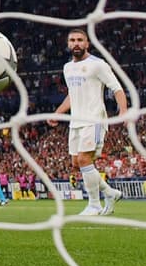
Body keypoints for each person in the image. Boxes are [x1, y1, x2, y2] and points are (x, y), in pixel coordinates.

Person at [47, 29, 129, 216]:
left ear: (87, 43)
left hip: (94, 119)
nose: (76, 43)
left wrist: (123, 111)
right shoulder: (67, 68)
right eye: (72, 40)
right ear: (68, 44)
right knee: (77, 164)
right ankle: (110, 193)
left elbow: (117, 89)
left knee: (85, 159)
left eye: (80, 40)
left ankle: (94, 204)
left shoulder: (98, 65)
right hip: (75, 121)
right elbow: (71, 95)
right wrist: (57, 113)